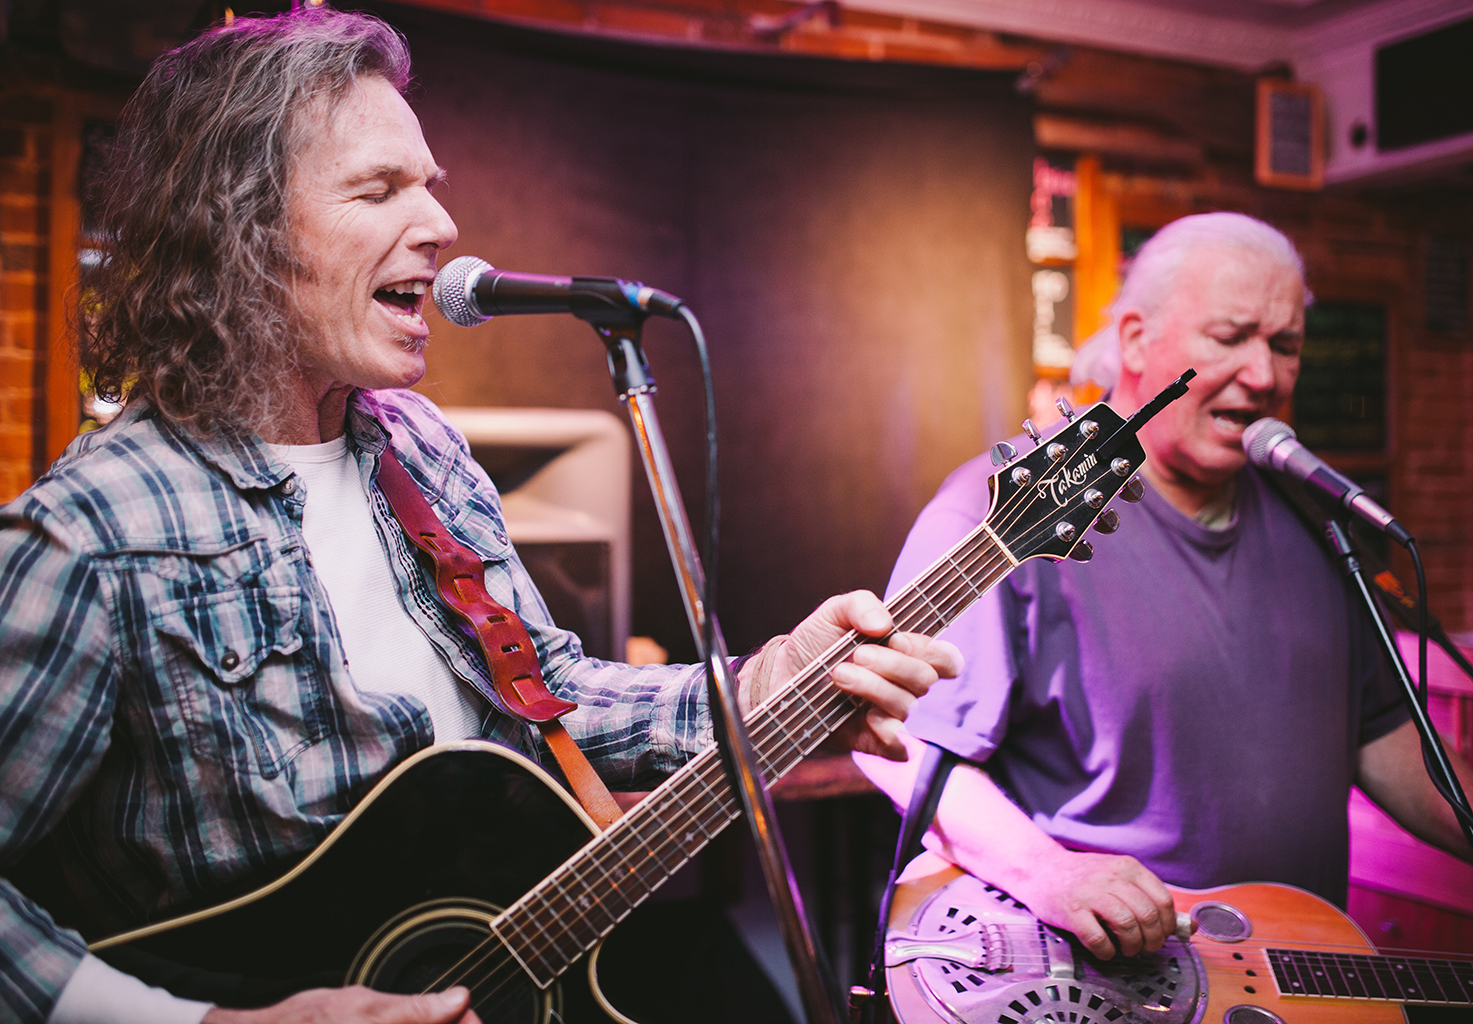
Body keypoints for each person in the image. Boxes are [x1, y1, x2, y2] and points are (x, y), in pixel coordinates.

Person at [0, 10, 960, 1024]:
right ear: (239, 233)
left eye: (429, 184)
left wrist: (763, 686)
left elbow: (547, 697)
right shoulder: (97, 532)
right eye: (380, 189)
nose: (441, 223)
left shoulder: (417, 448)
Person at [857, 211, 1473, 963]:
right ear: (1135, 339)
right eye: (1230, 337)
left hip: (1301, 975)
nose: (1264, 375)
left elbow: (1381, 730)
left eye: (1285, 346)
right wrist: (1050, 873)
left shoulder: (1317, 520)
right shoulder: (1011, 511)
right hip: (1103, 984)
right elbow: (899, 745)